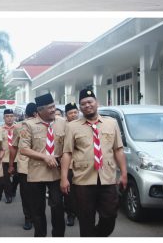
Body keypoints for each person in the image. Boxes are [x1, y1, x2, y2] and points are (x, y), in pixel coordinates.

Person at [61, 89, 128, 237]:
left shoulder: (111, 123)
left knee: (110, 216)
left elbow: (118, 150)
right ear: (80, 107)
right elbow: (67, 153)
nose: (87, 105)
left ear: (97, 103)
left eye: (90, 102)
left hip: (107, 178)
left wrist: (124, 173)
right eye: (83, 104)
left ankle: (96, 236)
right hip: (83, 180)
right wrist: (64, 178)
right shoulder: (72, 127)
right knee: (86, 220)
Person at [19, 93, 67, 237]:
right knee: (38, 211)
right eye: (49, 108)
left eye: (54, 106)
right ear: (40, 111)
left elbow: (68, 148)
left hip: (57, 173)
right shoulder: (28, 125)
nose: (53, 110)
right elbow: (24, 149)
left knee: (58, 208)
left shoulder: (62, 122)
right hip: (36, 173)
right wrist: (45, 157)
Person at [0, 109, 19, 204]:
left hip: (17, 157)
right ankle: (8, 195)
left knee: (17, 177)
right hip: (5, 157)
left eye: (11, 116)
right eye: (7, 116)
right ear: (3, 118)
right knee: (5, 178)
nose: (9, 118)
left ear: (14, 117)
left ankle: (13, 189)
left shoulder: (19, 128)